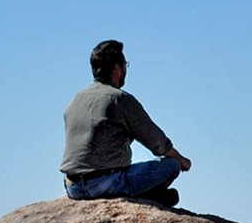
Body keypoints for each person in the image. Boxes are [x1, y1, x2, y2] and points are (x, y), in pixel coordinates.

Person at [60, 40, 191, 207]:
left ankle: (151, 197)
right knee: (171, 166)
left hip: (73, 188)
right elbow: (156, 142)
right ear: (116, 68)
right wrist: (181, 161)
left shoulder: (75, 100)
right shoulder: (119, 99)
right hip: (106, 183)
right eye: (124, 65)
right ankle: (149, 198)